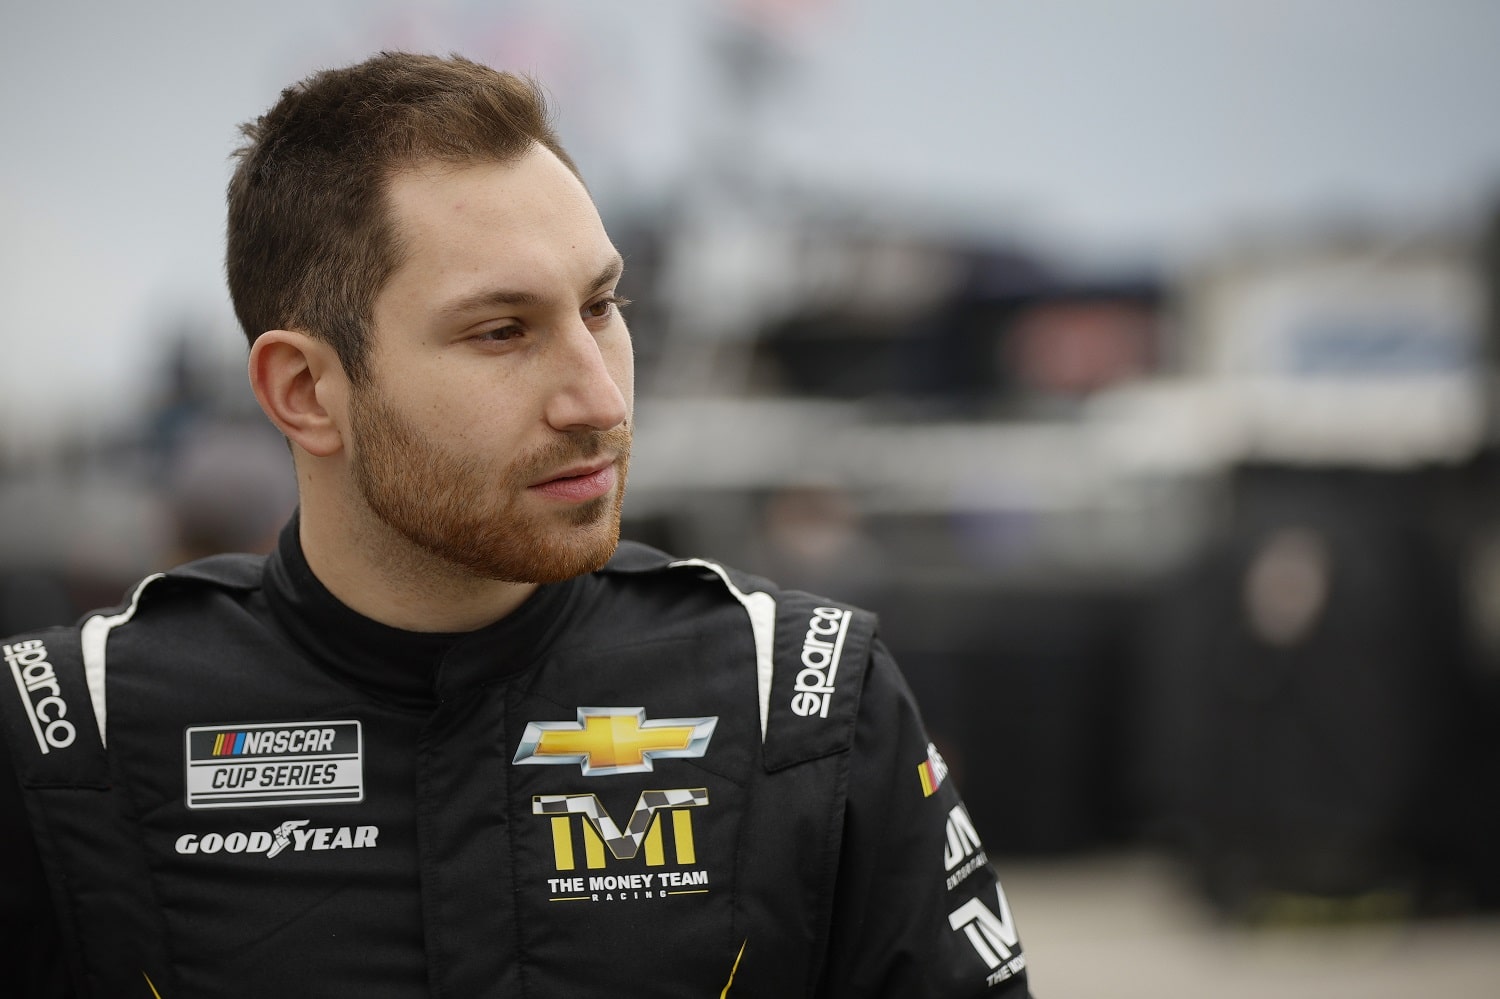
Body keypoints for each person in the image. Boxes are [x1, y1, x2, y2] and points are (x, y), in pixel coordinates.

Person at [0, 53, 1034, 998]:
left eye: (601, 307)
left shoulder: (801, 706)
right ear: (307, 391)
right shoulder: (65, 737)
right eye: (503, 331)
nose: (598, 400)